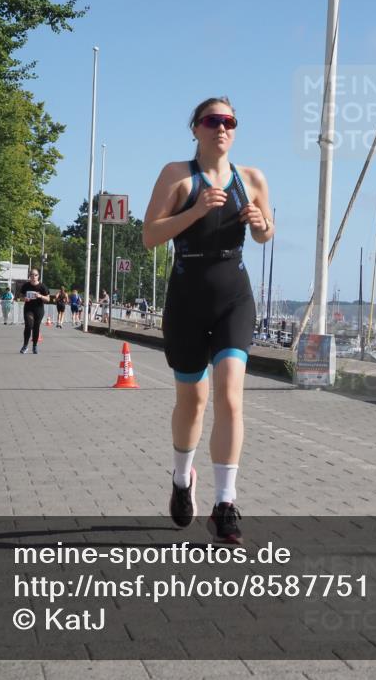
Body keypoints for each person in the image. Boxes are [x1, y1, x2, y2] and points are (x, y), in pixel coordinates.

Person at [142, 96, 273, 545]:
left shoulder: (251, 178)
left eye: (229, 121)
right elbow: (149, 236)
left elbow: (266, 232)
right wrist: (195, 211)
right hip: (187, 299)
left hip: (234, 297)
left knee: (231, 398)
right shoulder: (177, 175)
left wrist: (260, 223)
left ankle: (225, 503)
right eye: (213, 120)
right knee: (192, 402)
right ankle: (182, 480)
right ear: (195, 128)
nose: (222, 128)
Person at [19, 269, 50, 354]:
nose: (33, 276)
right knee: (29, 325)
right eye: (32, 275)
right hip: (28, 309)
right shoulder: (26, 285)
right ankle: (25, 346)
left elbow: (48, 299)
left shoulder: (42, 286)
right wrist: (24, 298)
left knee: (36, 327)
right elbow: (20, 296)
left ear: (38, 276)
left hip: (39, 309)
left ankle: (34, 346)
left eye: (35, 275)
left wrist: (40, 296)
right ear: (29, 276)